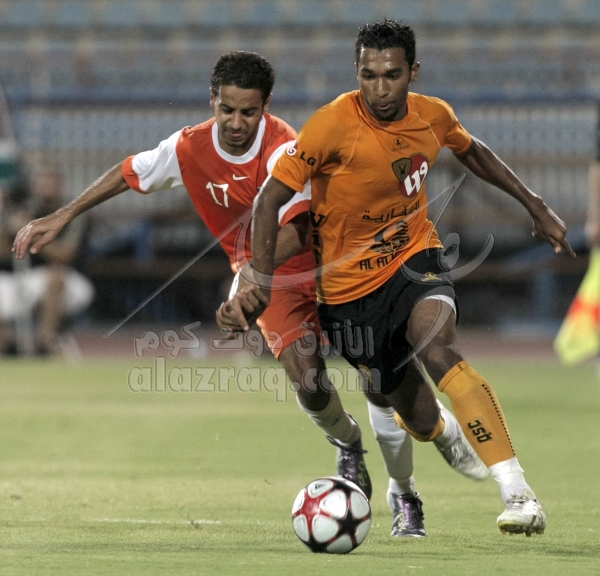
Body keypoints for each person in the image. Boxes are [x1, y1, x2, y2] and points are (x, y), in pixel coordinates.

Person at [12, 51, 486, 538]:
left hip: (333, 268)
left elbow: (298, 230)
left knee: (382, 383)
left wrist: (250, 279)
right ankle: (349, 444)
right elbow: (129, 171)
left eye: (248, 112)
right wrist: (63, 215)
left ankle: (407, 488)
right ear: (212, 100)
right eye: (228, 110)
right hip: (273, 283)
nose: (237, 123)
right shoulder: (188, 147)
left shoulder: (285, 147)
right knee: (307, 382)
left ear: (266, 106)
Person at [229, 21, 576, 536]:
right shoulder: (329, 126)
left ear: (413, 72)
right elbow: (270, 200)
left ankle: (519, 493)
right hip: (347, 297)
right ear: (356, 72)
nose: (380, 88)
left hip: (414, 259)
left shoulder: (433, 115)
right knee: (417, 418)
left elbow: (471, 149)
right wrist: (258, 278)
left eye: (391, 75)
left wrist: (535, 204)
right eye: (368, 75)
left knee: (439, 349)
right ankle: (443, 430)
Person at [1, 166, 93, 354]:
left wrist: (29, 232)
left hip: (69, 280)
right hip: (24, 277)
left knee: (55, 275)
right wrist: (6, 226)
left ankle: (45, 343)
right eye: (42, 184)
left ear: (60, 186)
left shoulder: (72, 213)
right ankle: (8, 342)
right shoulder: (25, 210)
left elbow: (65, 255)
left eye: (50, 184)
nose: (46, 189)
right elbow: (3, 254)